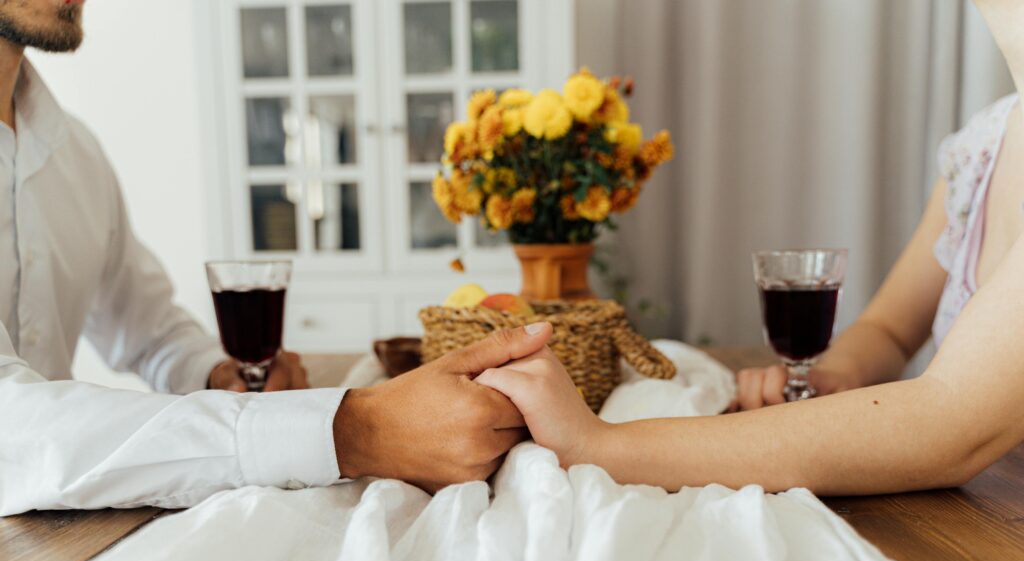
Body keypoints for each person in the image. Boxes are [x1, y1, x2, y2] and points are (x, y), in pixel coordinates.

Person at [0, 0, 548, 515]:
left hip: (58, 539)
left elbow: (149, 331)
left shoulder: (73, 151)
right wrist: (349, 430)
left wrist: (219, 375)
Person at [476, 0, 1024, 496]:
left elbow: (949, 421)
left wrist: (596, 447)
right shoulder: (983, 146)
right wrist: (836, 376)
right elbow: (889, 330)